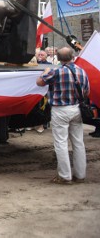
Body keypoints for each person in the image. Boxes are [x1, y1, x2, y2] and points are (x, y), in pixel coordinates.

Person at [36, 46, 90, 184]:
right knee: (78, 142)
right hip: (76, 109)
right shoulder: (82, 71)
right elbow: (87, 93)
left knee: (61, 143)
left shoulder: (56, 72)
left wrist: (45, 71)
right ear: (72, 57)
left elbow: (40, 82)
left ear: (58, 59)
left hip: (60, 109)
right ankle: (80, 175)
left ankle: (65, 176)